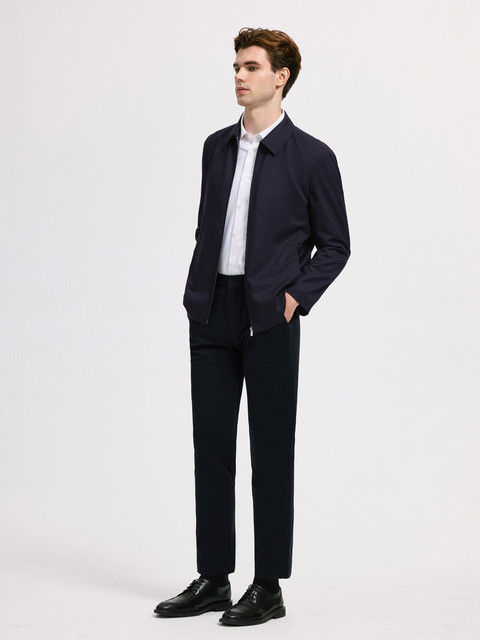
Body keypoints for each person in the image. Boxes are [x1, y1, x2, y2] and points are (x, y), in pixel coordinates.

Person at [154, 26, 350, 626]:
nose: (239, 76)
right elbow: (207, 227)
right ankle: (214, 578)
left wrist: (294, 297)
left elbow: (335, 245)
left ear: (281, 77)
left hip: (270, 315)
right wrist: (198, 291)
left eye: (251, 67)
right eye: (236, 67)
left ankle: (268, 587)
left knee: (270, 454)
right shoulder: (215, 147)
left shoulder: (312, 156)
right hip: (212, 310)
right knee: (211, 448)